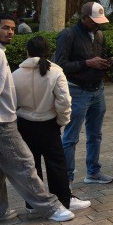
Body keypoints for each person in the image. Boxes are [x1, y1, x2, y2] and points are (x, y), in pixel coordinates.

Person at [0, 14, 75, 225]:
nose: (10, 32)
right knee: (24, 165)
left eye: (13, 28)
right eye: (5, 28)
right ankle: (50, 208)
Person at [14, 36, 93, 213]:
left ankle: (33, 203)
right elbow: (64, 101)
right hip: (49, 124)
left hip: (24, 124)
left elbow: (11, 102)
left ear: (27, 52)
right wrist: (62, 121)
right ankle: (64, 200)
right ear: (48, 52)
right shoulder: (55, 71)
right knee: (56, 164)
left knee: (31, 165)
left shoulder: (15, 74)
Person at [54, 1, 113, 185]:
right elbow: (60, 65)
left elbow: (100, 56)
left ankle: (93, 171)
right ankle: (67, 179)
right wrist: (88, 63)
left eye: (100, 21)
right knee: (71, 138)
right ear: (84, 18)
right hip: (77, 90)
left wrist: (108, 62)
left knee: (95, 134)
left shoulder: (100, 34)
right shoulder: (68, 34)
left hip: (98, 89)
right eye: (94, 21)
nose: (97, 24)